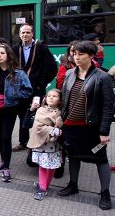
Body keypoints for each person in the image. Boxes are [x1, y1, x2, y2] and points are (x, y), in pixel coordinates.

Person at [58, 41, 114, 210]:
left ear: (91, 56)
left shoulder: (102, 77)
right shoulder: (69, 74)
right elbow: (65, 100)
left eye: (81, 54)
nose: (76, 57)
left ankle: (105, 193)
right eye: (74, 53)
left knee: (100, 158)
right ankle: (73, 185)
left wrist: (104, 131)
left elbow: (108, 107)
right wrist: (61, 119)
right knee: (73, 155)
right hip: (71, 126)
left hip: (92, 128)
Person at [0, 43, 33, 183]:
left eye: (2, 53)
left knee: (6, 137)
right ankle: (3, 161)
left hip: (9, 109)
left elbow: (28, 90)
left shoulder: (18, 73)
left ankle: (7, 168)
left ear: (9, 55)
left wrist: (13, 95)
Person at [12, 23, 57, 152]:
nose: (25, 35)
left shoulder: (41, 47)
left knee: (38, 116)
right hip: (21, 90)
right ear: (19, 34)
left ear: (32, 34)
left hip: (36, 89)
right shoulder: (16, 48)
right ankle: (23, 142)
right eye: (22, 33)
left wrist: (41, 84)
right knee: (22, 116)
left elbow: (52, 67)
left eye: (27, 32)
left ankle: (38, 142)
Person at [27, 89, 63, 200]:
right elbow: (37, 126)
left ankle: (44, 185)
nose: (51, 98)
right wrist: (52, 130)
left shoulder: (61, 112)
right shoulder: (40, 110)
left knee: (52, 166)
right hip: (42, 144)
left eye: (55, 96)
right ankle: (43, 188)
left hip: (55, 145)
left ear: (60, 100)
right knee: (42, 166)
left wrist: (59, 128)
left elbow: (62, 125)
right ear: (45, 98)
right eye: (49, 96)